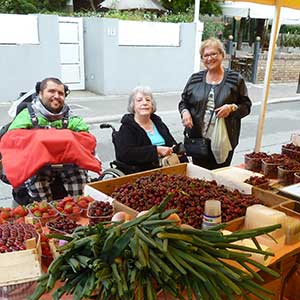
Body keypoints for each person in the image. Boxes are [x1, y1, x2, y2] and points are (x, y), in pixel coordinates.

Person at [0, 77, 101, 203]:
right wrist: (63, 137)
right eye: (51, 91)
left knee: (82, 191)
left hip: (68, 166)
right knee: (41, 203)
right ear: (40, 93)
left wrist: (45, 137)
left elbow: (87, 139)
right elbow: (12, 139)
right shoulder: (26, 115)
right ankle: (46, 216)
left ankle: (80, 212)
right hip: (37, 168)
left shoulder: (71, 118)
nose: (56, 96)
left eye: (61, 93)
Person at [179, 37, 252, 170]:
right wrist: (185, 112)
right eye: (205, 55)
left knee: (219, 176)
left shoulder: (235, 79)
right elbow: (183, 102)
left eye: (214, 54)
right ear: (202, 59)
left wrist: (231, 108)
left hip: (224, 141)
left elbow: (246, 106)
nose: (210, 58)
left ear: (222, 55)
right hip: (198, 140)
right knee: (200, 176)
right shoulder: (195, 79)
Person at [114, 86, 186, 173]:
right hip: (141, 172)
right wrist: (156, 151)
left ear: (152, 105)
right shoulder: (127, 127)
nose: (144, 103)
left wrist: (176, 149)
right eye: (139, 100)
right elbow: (125, 154)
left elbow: (171, 143)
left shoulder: (158, 123)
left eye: (148, 100)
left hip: (166, 168)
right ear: (133, 106)